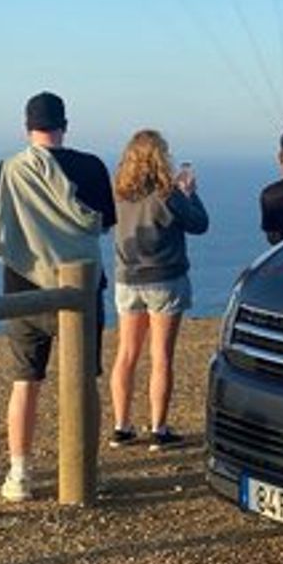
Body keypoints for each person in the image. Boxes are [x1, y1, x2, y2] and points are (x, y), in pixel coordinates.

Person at [0, 92, 115, 502]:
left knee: (25, 383)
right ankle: (85, 470)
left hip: (23, 290)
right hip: (80, 291)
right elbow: (103, 224)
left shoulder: (9, 169)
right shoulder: (91, 167)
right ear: (64, 125)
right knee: (84, 383)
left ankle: (19, 474)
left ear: (27, 127)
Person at [109, 130, 208, 450]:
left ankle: (122, 426)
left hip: (128, 278)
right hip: (165, 278)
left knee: (126, 353)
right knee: (161, 356)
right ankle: (158, 429)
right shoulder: (169, 194)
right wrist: (191, 194)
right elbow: (200, 224)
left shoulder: (118, 193)